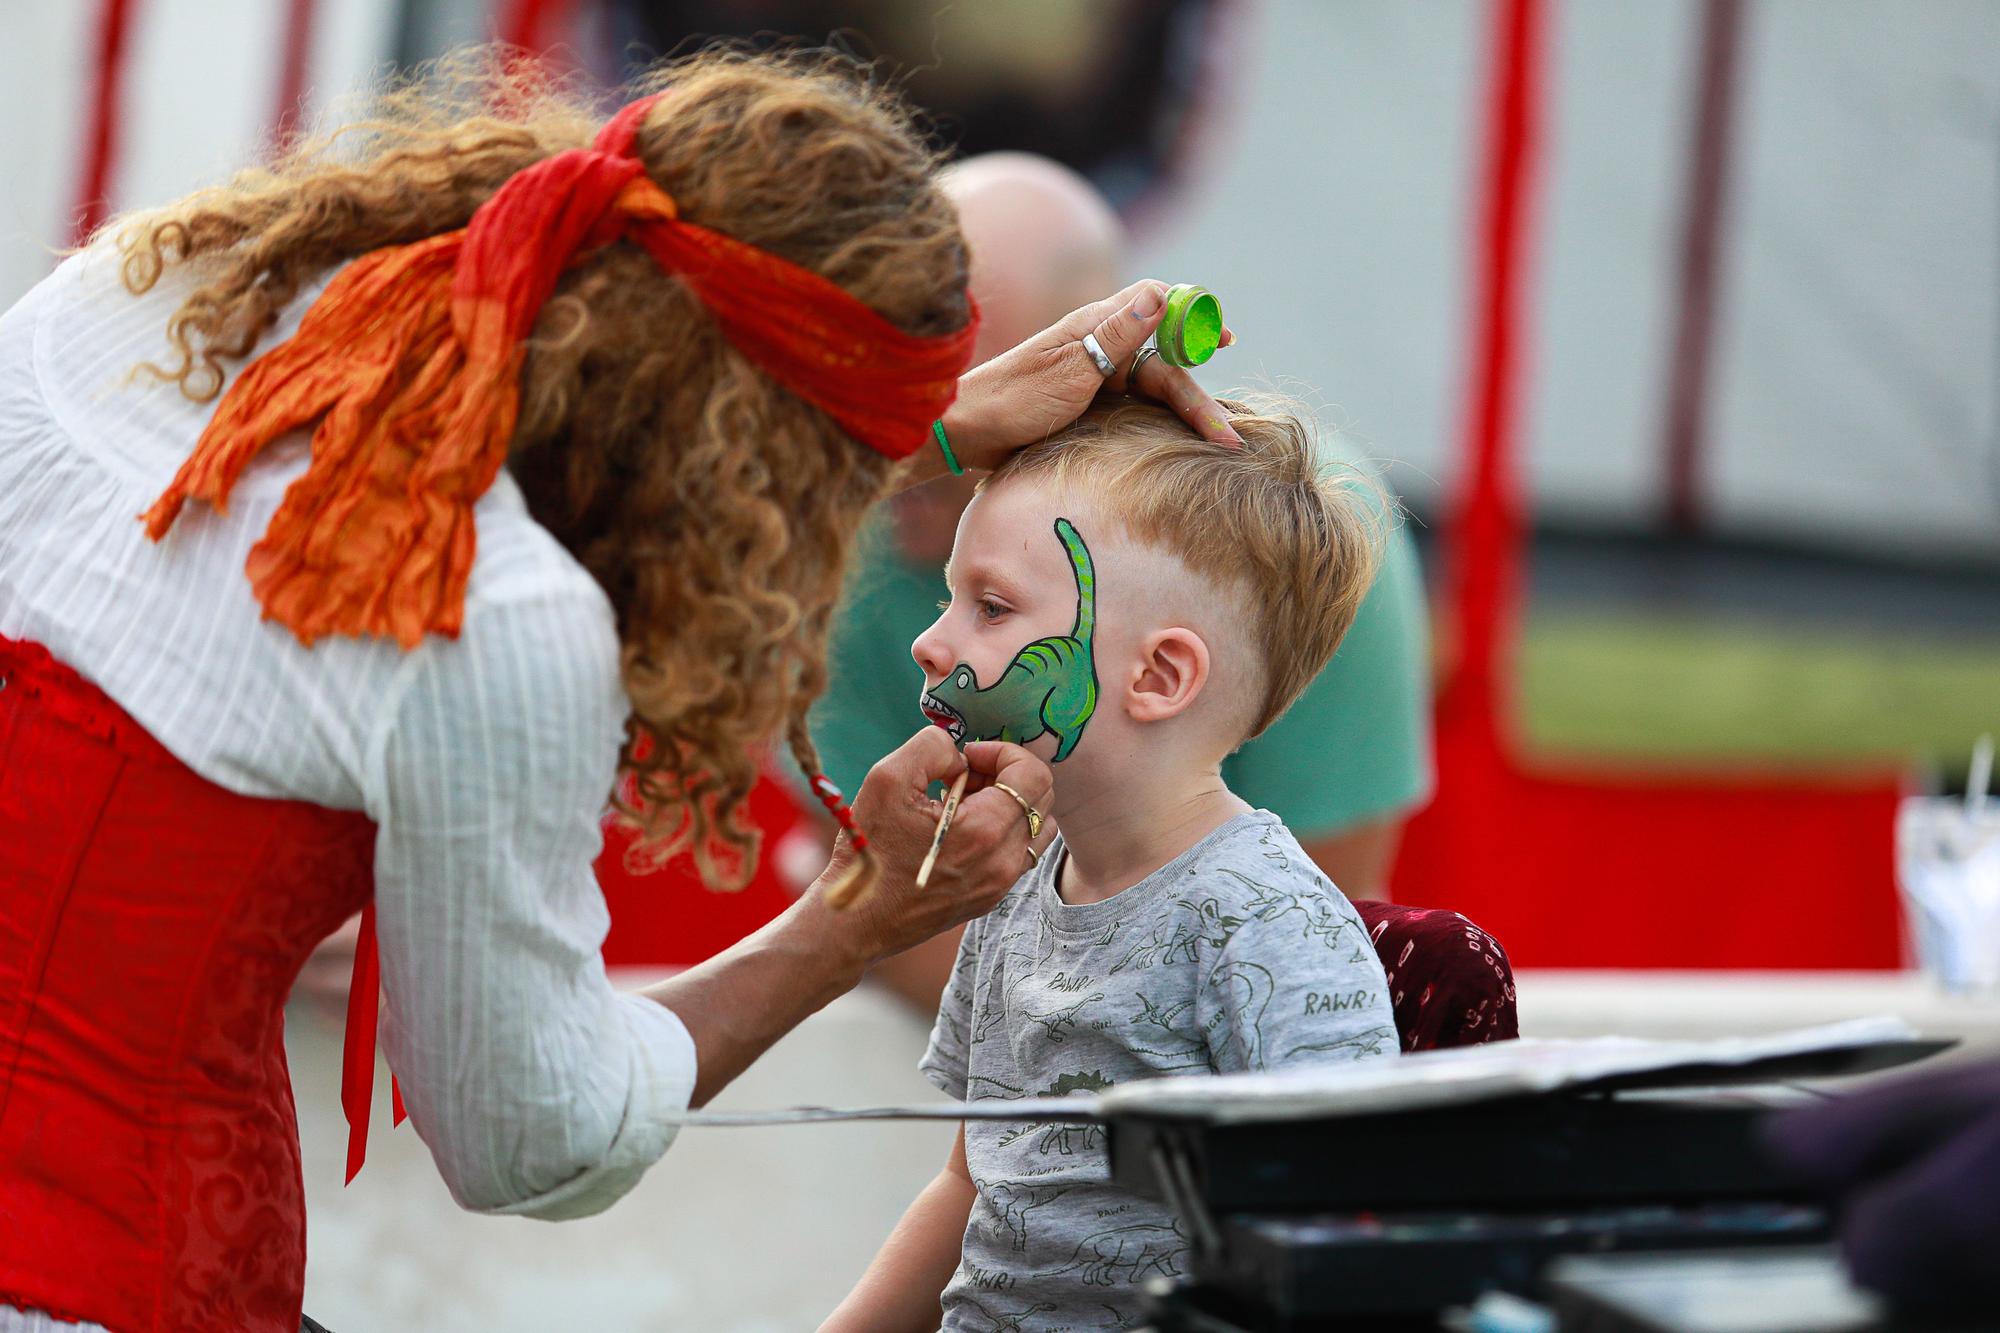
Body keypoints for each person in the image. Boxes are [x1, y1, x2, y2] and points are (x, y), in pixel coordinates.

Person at [0, 50, 1242, 1333]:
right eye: (806, 484)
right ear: (743, 443)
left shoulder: (145, 299)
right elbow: (530, 1139)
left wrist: (919, 422)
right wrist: (849, 917)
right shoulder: (496, 616)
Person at [821, 399, 1399, 1333]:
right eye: (946, 599)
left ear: (1158, 677)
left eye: (991, 606)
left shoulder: (1272, 926)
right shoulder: (1008, 891)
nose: (931, 642)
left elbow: (1336, 1247)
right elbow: (973, 1187)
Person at [810, 153, 1433, 1010]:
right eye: (874, 383)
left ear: (1071, 395)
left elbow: (1307, 954)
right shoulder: (840, 528)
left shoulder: (1309, 530)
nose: (895, 451)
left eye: (965, 408)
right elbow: (879, 912)